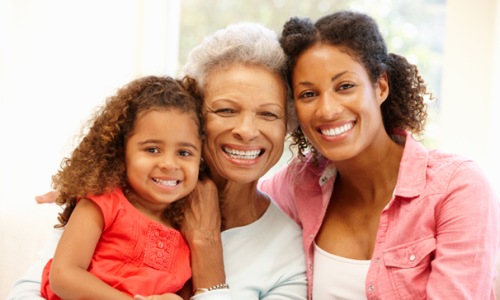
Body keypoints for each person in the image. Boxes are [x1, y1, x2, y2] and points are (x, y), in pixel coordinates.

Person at [7, 22, 307, 300]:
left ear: (288, 125)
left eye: (268, 114)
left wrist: (207, 257)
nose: (246, 130)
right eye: (226, 110)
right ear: (193, 117)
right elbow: (29, 291)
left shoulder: (288, 250)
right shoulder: (117, 195)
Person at [258, 10, 500, 299]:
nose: (327, 110)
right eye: (308, 94)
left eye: (344, 86)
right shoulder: (296, 184)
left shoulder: (457, 189)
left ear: (381, 86)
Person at [40, 75, 205, 299]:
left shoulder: (188, 227)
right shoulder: (102, 203)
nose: (168, 164)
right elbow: (63, 275)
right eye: (152, 149)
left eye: (184, 153)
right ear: (121, 152)